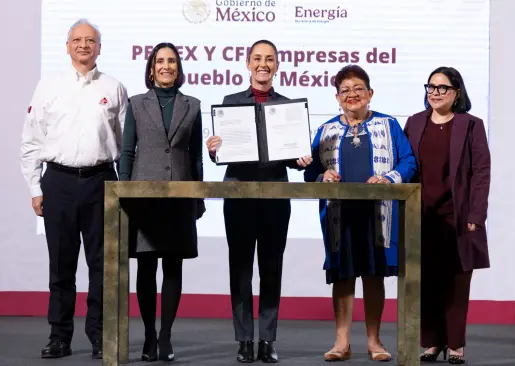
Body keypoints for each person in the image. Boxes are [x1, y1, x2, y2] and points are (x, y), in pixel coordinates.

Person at [20, 19, 128, 359]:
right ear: (67, 46)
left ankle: (99, 335)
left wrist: (123, 188)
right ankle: (59, 337)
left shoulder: (114, 87)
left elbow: (126, 145)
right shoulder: (48, 86)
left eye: (90, 40)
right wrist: (35, 188)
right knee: (61, 265)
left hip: (102, 183)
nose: (84, 45)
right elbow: (31, 141)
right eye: (77, 40)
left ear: (99, 47)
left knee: (102, 265)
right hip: (59, 182)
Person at [206, 39, 312, 363]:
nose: (263, 64)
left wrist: (301, 159)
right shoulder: (230, 102)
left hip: (276, 196)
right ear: (247, 63)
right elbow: (222, 154)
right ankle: (244, 340)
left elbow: (290, 156)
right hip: (238, 195)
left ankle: (267, 339)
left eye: (269, 59)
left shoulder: (287, 106)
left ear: (277, 65)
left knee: (271, 268)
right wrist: (214, 149)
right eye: (257, 58)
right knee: (239, 269)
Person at [304, 64, 417, 362]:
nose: (352, 94)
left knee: (373, 274)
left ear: (370, 93)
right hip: (339, 214)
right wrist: (322, 176)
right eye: (345, 91)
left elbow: (408, 162)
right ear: (337, 98)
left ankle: (374, 342)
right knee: (342, 274)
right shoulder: (325, 130)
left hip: (377, 213)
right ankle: (341, 343)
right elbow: (311, 171)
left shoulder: (389, 125)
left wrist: (388, 179)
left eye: (358, 89)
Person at [119, 42, 204, 362]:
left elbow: (195, 156)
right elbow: (127, 152)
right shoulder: (136, 104)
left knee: (173, 266)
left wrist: (198, 197)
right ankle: (148, 336)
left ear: (178, 68)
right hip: (143, 198)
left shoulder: (192, 105)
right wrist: (123, 191)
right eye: (160, 61)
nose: (166, 66)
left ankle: (166, 335)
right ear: (151, 68)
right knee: (145, 266)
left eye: (172, 61)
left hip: (180, 196)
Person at [404, 66, 490, 364]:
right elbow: (405, 165)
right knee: (425, 279)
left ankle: (455, 344)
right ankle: (432, 342)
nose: (435, 92)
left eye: (442, 88)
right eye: (431, 86)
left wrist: (477, 212)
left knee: (455, 282)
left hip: (458, 214)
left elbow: (481, 172)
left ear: (456, 93)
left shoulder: (471, 125)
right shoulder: (415, 123)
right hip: (421, 214)